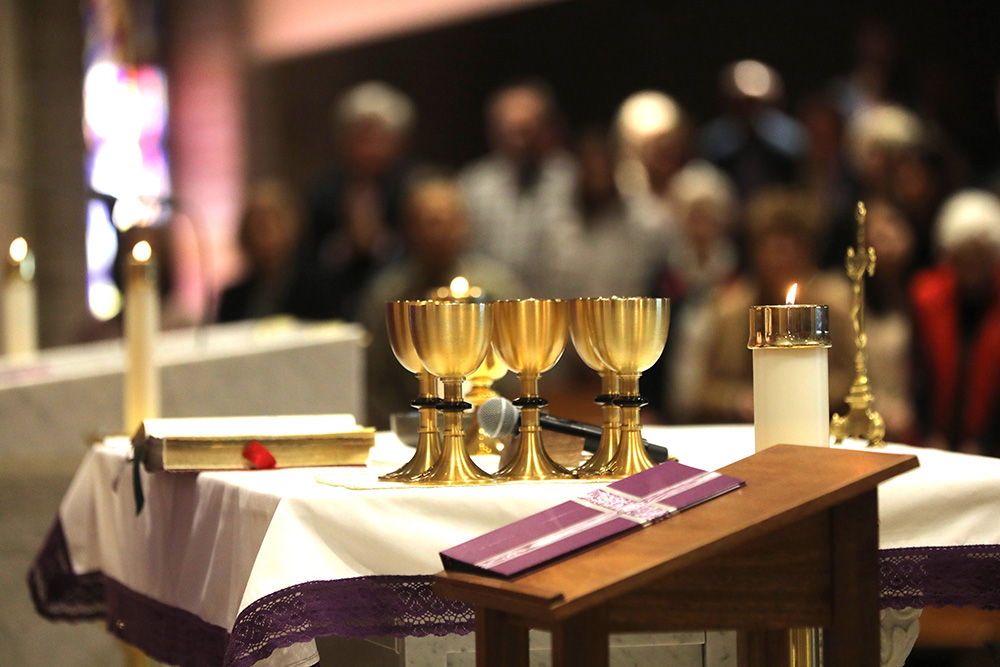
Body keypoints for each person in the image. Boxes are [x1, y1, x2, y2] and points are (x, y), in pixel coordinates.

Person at [360, 172, 525, 428]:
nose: (441, 232)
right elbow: (374, 380)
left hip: (489, 427)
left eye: (451, 220)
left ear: (466, 223)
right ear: (408, 227)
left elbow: (518, 372)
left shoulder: (497, 288)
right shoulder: (388, 294)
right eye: (431, 222)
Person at [692, 187, 853, 424]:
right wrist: (738, 399)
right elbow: (700, 389)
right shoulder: (729, 308)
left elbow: (854, 379)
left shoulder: (833, 305)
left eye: (790, 246)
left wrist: (795, 396)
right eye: (772, 246)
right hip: (744, 431)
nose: (781, 257)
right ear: (755, 251)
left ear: (808, 250)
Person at [301, 81, 416, 320]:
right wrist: (343, 247)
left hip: (401, 306)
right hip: (337, 306)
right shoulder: (325, 190)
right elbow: (309, 256)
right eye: (361, 136)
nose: (368, 148)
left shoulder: (411, 188)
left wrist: (379, 242)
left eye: (377, 137)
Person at [459, 81, 576, 298]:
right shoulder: (475, 185)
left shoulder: (573, 179)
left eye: (526, 131)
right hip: (495, 311)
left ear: (546, 129)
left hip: (560, 309)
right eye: (508, 132)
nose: (518, 142)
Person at [911, 190, 1000, 456]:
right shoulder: (927, 298)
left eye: (980, 255)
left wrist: (984, 443)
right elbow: (919, 374)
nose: (972, 264)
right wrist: (929, 433)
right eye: (964, 254)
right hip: (936, 441)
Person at [651, 161, 740, 422]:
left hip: (725, 414)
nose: (701, 225)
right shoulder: (664, 276)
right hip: (669, 410)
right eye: (694, 214)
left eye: (709, 215)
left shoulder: (738, 276)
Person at [698, 60, 806, 198]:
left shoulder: (790, 135)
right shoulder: (712, 138)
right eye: (742, 102)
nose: (750, 110)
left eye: (756, 102)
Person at [218, 181, 308, 322]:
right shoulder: (233, 297)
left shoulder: (313, 290)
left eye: (265, 228)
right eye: (253, 228)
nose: (258, 238)